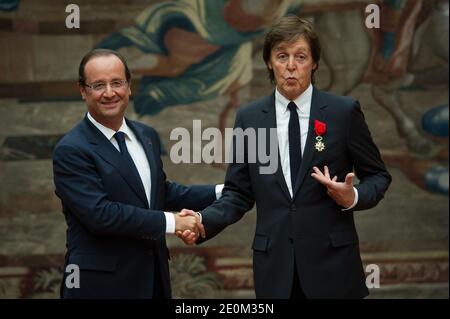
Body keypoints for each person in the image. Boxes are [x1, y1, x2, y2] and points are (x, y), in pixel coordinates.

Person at [178, 15, 392, 299]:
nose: (291, 66)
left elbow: (379, 175)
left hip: (334, 269)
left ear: (314, 62)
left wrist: (351, 197)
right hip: (275, 271)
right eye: (282, 56)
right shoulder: (250, 118)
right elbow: (238, 193)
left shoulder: (343, 112)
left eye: (300, 56)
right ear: (269, 61)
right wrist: (204, 220)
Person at [52, 49, 221, 299]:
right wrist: (174, 223)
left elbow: (159, 193)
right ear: (83, 90)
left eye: (117, 83)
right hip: (100, 288)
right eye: (99, 85)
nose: (110, 93)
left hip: (153, 281)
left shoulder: (146, 136)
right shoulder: (71, 150)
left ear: (129, 87)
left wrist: (225, 190)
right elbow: (101, 215)